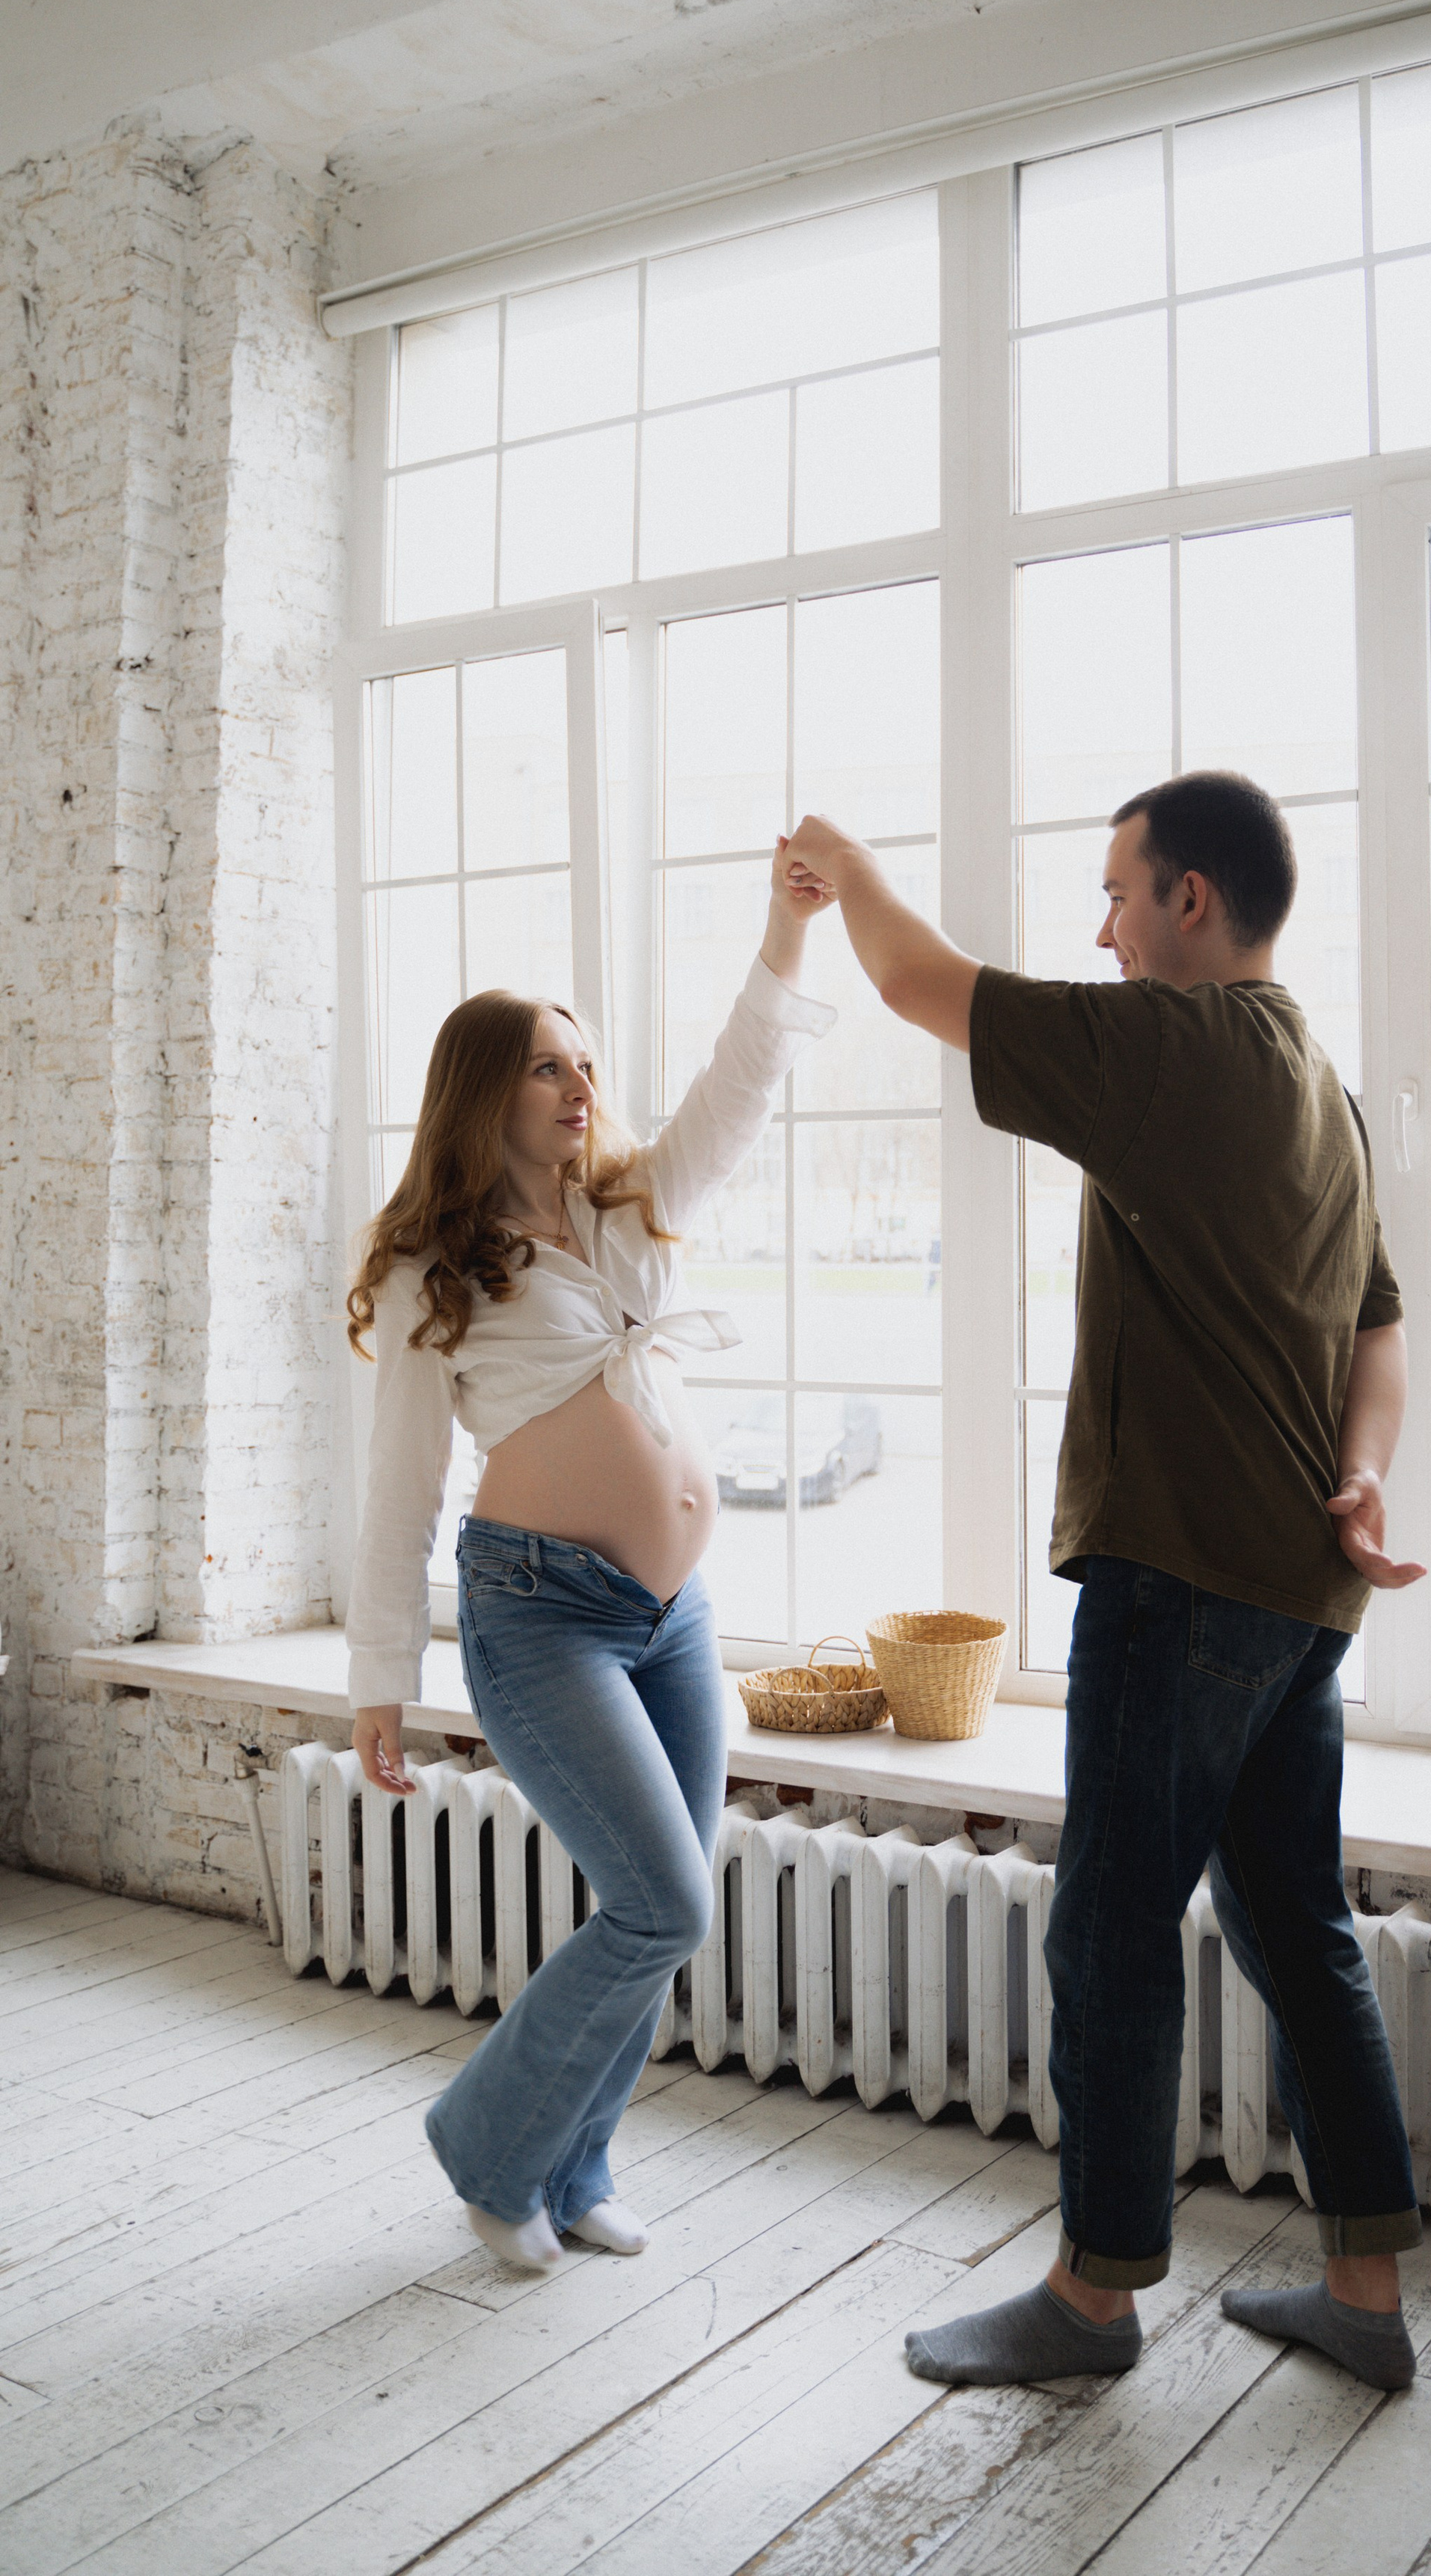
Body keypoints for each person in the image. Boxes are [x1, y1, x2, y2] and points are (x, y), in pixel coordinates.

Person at [782, 770, 1428, 2393]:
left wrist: (844, 854)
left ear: (1190, 900)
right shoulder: (1323, 1089)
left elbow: (919, 985)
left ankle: (1090, 2301)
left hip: (1182, 1577)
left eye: (1118, 894)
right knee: (1295, 1923)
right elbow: (1380, 1333)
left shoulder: (1175, 1049)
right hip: (1297, 1591)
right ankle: (1362, 2293)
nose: (1104, 931)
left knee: (1114, 1933)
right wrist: (1363, 1472)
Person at [343, 850, 834, 2272]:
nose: (580, 1087)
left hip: (673, 1616)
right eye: (548, 1068)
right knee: (662, 1900)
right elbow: (400, 1491)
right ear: (482, 1094)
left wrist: (787, 930)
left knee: (663, 1910)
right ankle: (490, 2151)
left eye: (587, 1065)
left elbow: (737, 1088)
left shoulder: (626, 1207)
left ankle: (576, 2167)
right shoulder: (430, 1268)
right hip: (540, 1617)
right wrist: (381, 1681)